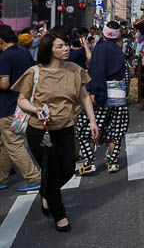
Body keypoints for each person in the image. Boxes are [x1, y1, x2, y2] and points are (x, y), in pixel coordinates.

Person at [13, 31, 98, 232]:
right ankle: (60, 215)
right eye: (60, 46)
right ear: (49, 50)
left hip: (66, 128)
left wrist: (92, 121)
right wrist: (36, 110)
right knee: (51, 172)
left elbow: (84, 96)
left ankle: (46, 193)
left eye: (66, 45)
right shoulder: (34, 72)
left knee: (68, 169)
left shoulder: (75, 70)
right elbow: (22, 100)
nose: (66, 48)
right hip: (41, 131)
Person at [76, 21, 129, 175]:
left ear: (103, 33)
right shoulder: (118, 49)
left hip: (103, 95)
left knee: (87, 129)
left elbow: (97, 71)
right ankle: (113, 163)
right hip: (119, 96)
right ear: (117, 35)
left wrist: (94, 92)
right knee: (115, 131)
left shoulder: (101, 48)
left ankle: (88, 163)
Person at [0, 25, 40, 192]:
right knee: (5, 144)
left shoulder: (4, 57)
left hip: (8, 106)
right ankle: (1, 178)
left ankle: (34, 177)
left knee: (14, 144)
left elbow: (4, 84)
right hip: (23, 104)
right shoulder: (23, 52)